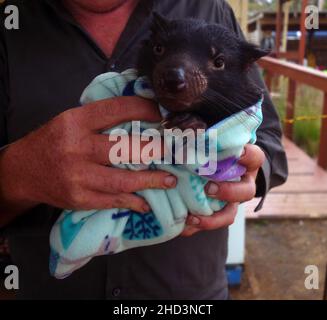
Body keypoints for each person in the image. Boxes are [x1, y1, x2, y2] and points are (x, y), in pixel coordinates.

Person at [0, 0, 288, 299]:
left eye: (214, 62)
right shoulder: (11, 26)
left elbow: (269, 145)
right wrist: (16, 174)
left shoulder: (211, 9)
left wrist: (246, 168)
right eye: (162, 51)